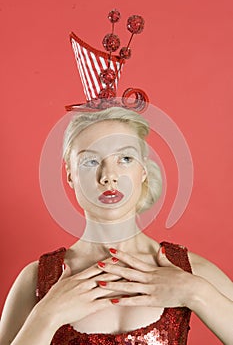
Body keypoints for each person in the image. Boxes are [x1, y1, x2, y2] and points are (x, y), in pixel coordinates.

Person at [0, 106, 232, 345]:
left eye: (125, 159)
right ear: (70, 175)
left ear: (142, 171)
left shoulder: (188, 270)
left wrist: (196, 294)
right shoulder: (36, 280)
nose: (108, 176)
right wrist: (46, 316)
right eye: (90, 161)